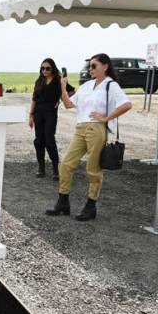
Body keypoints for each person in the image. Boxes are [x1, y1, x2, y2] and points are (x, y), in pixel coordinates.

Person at [46, 53, 132, 221]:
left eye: (94, 66)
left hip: (96, 129)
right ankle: (63, 203)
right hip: (80, 128)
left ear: (105, 66)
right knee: (65, 164)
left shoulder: (111, 86)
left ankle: (91, 206)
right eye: (89, 66)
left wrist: (107, 118)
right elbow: (69, 104)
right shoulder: (87, 85)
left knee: (93, 169)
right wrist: (63, 87)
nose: (90, 69)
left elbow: (127, 104)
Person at [28, 58, 74, 180]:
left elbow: (72, 91)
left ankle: (55, 168)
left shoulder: (59, 80)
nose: (45, 70)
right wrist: (31, 115)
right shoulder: (39, 80)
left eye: (47, 68)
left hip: (50, 113)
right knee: (39, 140)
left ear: (52, 68)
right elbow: (34, 98)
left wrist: (60, 100)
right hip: (38, 113)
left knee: (49, 140)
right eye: (42, 68)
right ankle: (41, 167)